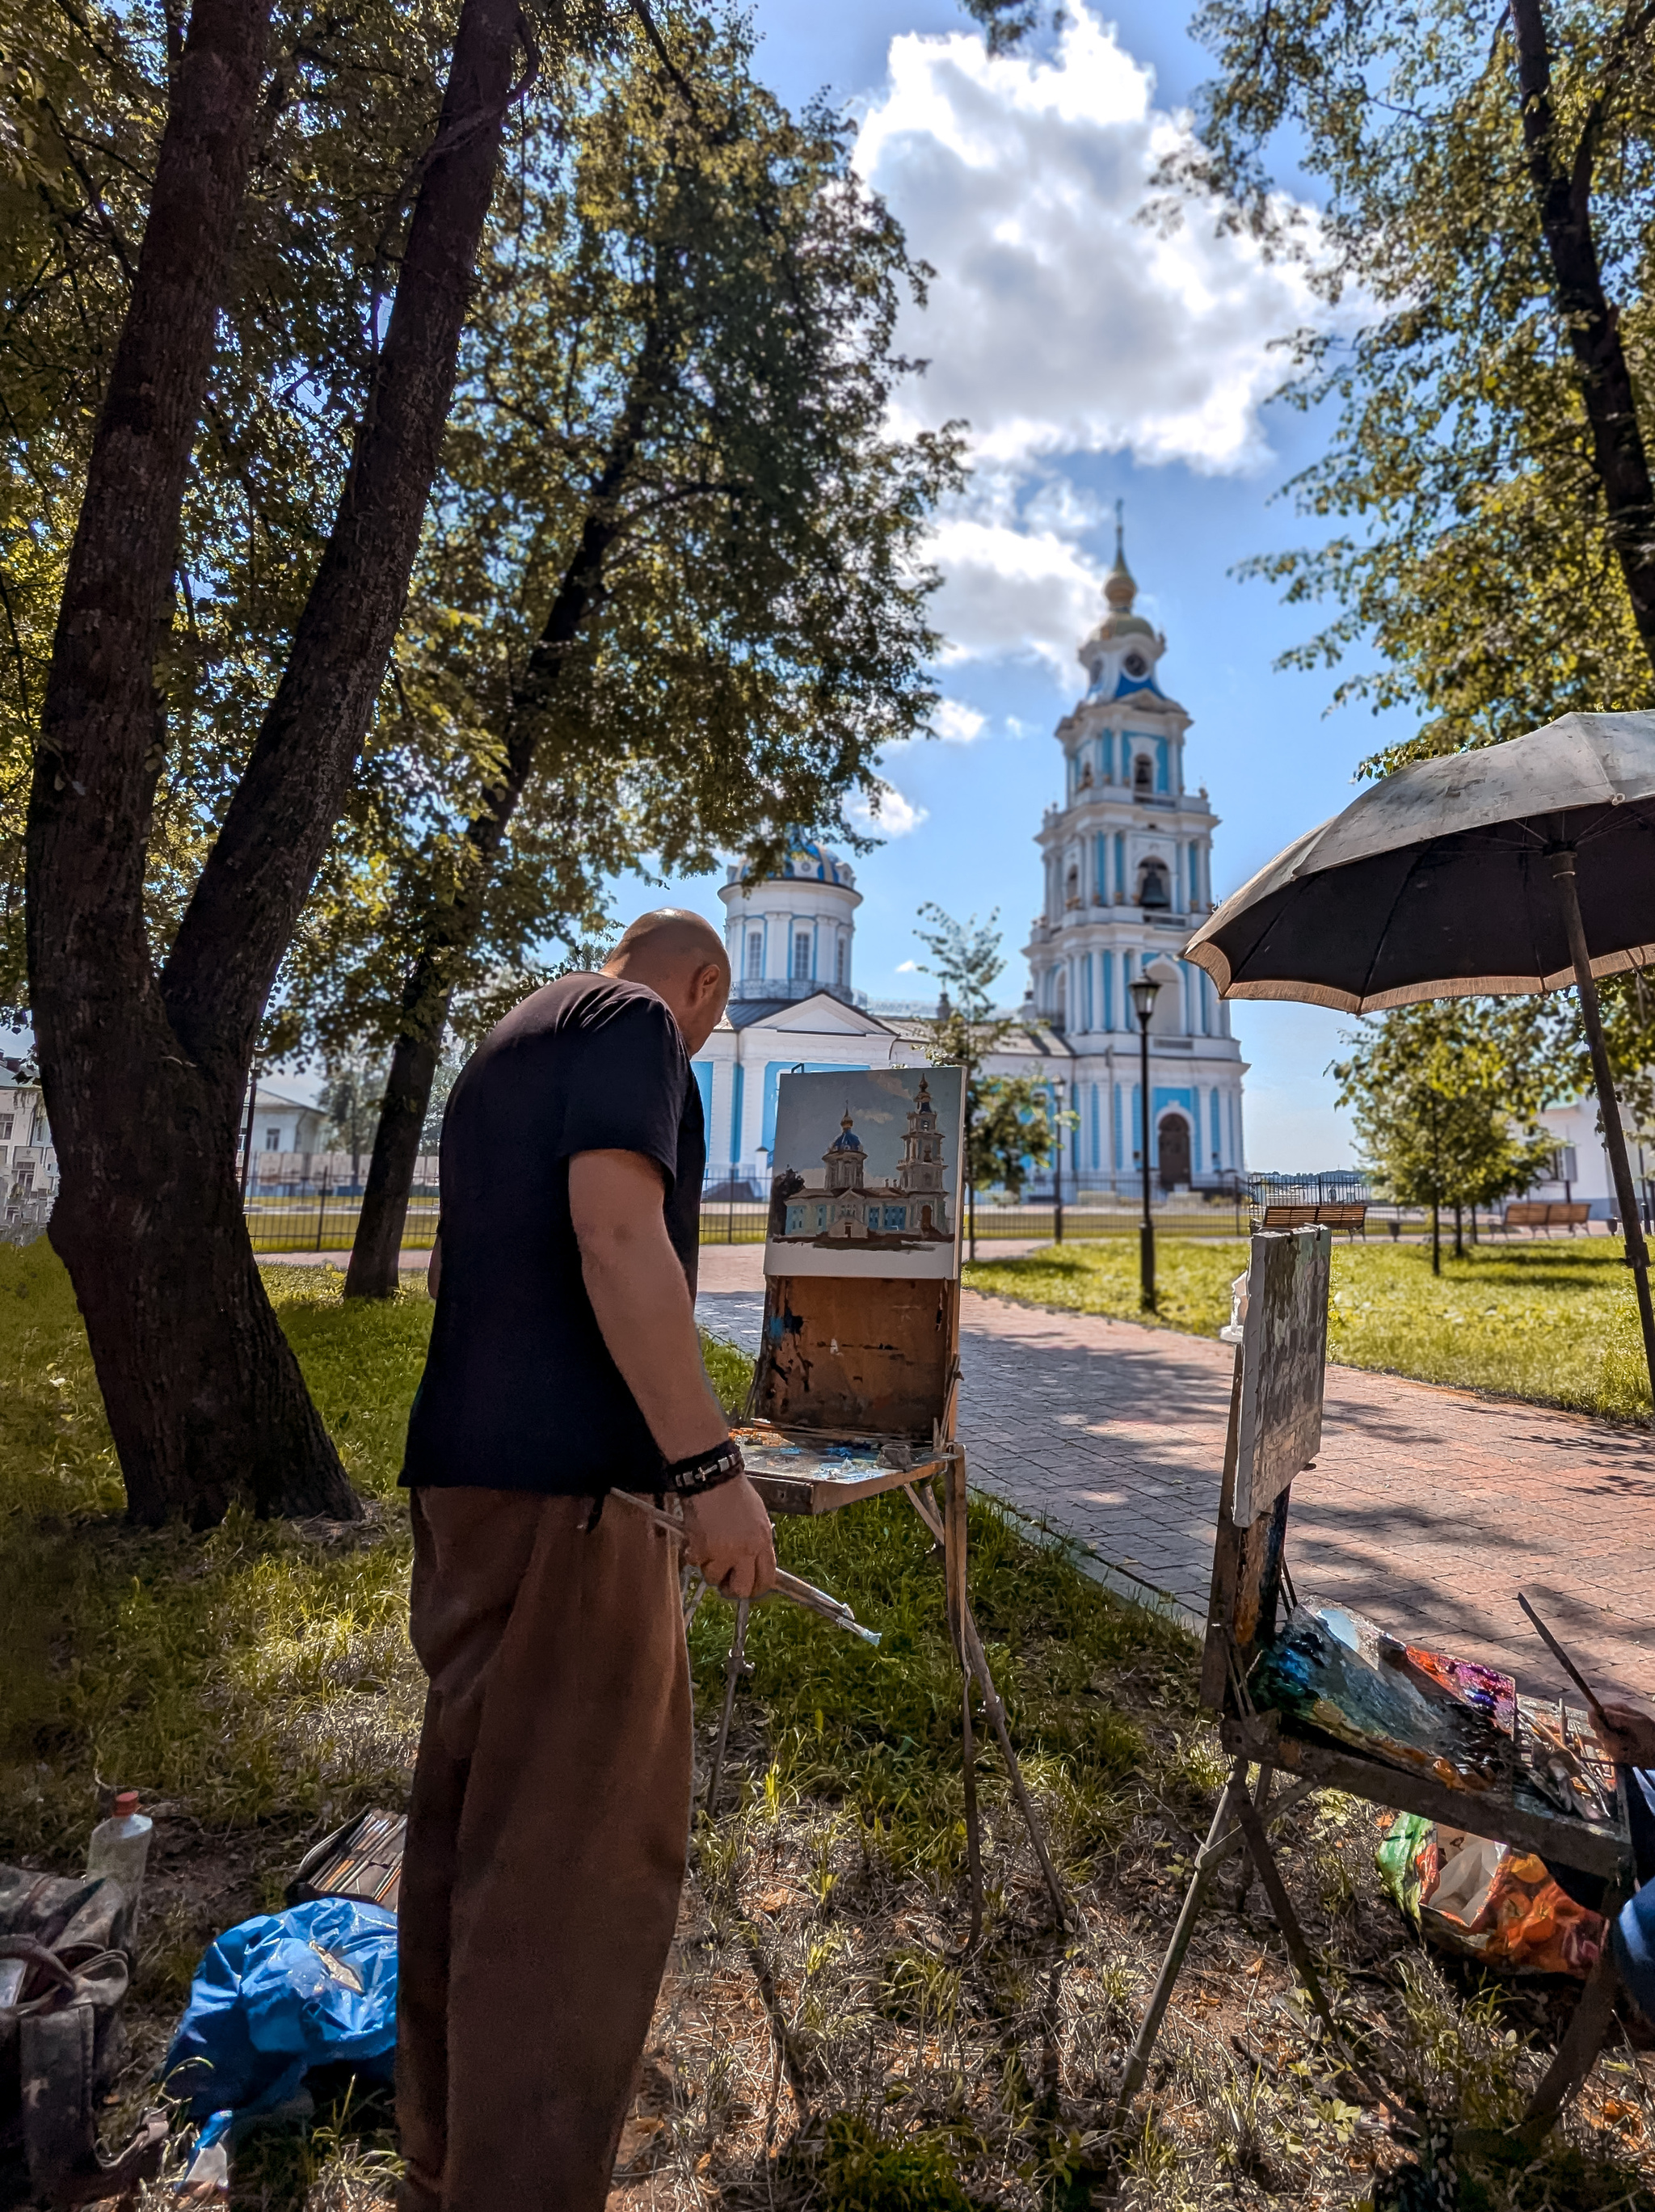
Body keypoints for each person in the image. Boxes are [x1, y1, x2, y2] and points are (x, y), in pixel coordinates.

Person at [393, 910, 777, 2212]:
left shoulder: (508, 1040)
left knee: (470, 1830)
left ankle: (445, 2156)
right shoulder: (636, 1026)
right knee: (578, 1865)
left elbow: (456, 1265)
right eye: (711, 1021)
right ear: (708, 984)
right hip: (576, 1500)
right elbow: (619, 1238)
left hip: (469, 1477)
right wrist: (713, 1471)